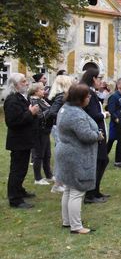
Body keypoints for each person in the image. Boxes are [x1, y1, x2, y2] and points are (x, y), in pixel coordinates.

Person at [55, 83, 104, 234]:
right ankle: (76, 226)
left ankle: (67, 221)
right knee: (77, 191)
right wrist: (98, 135)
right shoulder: (75, 114)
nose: (89, 98)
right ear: (80, 98)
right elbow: (85, 135)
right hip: (75, 155)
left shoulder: (65, 109)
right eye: (87, 96)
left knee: (69, 189)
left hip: (66, 152)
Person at [4, 73, 40, 209]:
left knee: (22, 168)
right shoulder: (12, 100)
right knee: (17, 170)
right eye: (23, 81)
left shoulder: (22, 97)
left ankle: (19, 190)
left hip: (24, 139)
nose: (26, 83)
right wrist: (30, 113)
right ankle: (14, 199)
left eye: (26, 81)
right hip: (18, 141)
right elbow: (12, 122)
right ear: (15, 85)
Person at [80, 68, 110, 203]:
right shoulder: (88, 92)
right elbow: (92, 114)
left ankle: (96, 191)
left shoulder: (91, 92)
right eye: (99, 78)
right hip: (95, 131)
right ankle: (90, 194)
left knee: (102, 161)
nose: (101, 81)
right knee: (99, 161)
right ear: (93, 78)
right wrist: (104, 114)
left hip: (98, 131)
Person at [48, 75, 75, 193]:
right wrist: (64, 119)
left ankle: (60, 181)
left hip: (57, 127)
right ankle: (58, 183)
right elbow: (53, 112)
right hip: (58, 128)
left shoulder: (57, 96)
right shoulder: (60, 97)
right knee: (62, 155)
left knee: (62, 154)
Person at [28, 83, 53, 185]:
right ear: (36, 91)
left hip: (45, 130)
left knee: (47, 154)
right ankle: (37, 178)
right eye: (42, 90)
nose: (44, 91)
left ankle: (49, 175)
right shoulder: (34, 101)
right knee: (39, 154)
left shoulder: (42, 100)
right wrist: (50, 111)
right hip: (38, 131)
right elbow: (39, 116)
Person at [107, 78, 121, 168]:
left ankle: (118, 160)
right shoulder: (114, 96)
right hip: (116, 123)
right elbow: (111, 110)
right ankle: (101, 158)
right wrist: (116, 118)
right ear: (119, 85)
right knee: (111, 141)